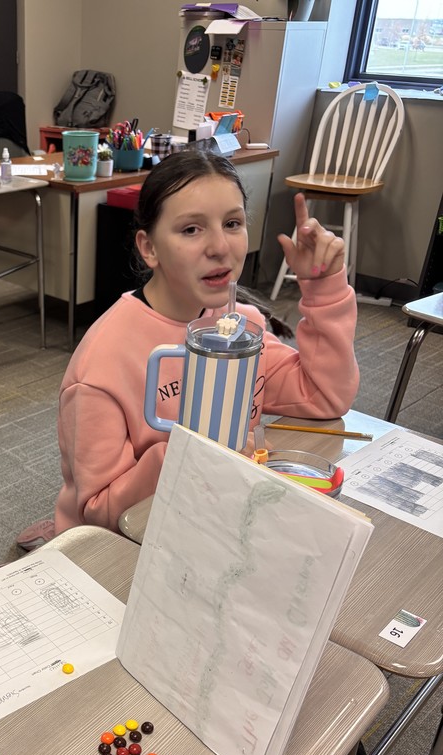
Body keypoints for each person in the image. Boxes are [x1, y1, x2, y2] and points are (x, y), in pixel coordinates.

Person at [52, 148, 359, 535]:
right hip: (128, 542)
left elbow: (324, 396)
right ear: (149, 248)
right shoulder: (103, 364)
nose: (220, 247)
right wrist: (189, 452)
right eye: (191, 229)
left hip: (215, 515)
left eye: (232, 223)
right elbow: (97, 513)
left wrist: (324, 287)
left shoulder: (238, 326)